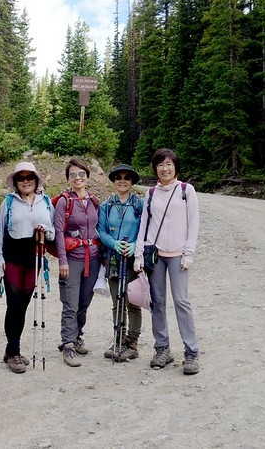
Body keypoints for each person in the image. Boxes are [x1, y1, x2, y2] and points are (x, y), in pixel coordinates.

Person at [134, 148, 201, 375]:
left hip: (178, 255)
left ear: (175, 167)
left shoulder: (186, 190)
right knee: (157, 302)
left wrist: (188, 253)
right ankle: (162, 348)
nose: (165, 168)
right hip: (156, 255)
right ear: (155, 169)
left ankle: (191, 352)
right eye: (160, 165)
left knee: (181, 301)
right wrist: (138, 254)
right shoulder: (151, 193)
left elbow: (193, 224)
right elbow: (144, 225)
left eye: (169, 164)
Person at [0, 161, 55, 373]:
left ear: (36, 180)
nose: (25, 181)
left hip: (34, 259)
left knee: (23, 305)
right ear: (16, 182)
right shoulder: (8, 203)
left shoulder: (46, 201)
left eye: (29, 177)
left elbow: (53, 232)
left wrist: (45, 230)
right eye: (21, 178)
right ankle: (14, 351)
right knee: (14, 305)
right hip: (12, 257)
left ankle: (11, 350)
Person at [53, 157, 101, 367]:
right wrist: (62, 261)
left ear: (88, 177)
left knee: (84, 302)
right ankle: (68, 344)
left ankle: (77, 334)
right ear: (68, 179)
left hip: (93, 258)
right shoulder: (64, 201)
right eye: (73, 175)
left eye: (81, 174)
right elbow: (58, 232)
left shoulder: (93, 201)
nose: (78, 178)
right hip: (72, 260)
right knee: (70, 304)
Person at [97, 163, 144, 362]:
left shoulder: (139, 204)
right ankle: (118, 339)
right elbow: (101, 231)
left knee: (133, 300)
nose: (122, 180)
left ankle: (131, 343)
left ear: (132, 181)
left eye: (126, 177)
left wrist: (134, 245)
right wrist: (114, 244)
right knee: (118, 300)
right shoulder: (106, 206)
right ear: (114, 181)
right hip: (114, 259)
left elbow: (145, 229)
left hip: (133, 258)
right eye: (118, 177)